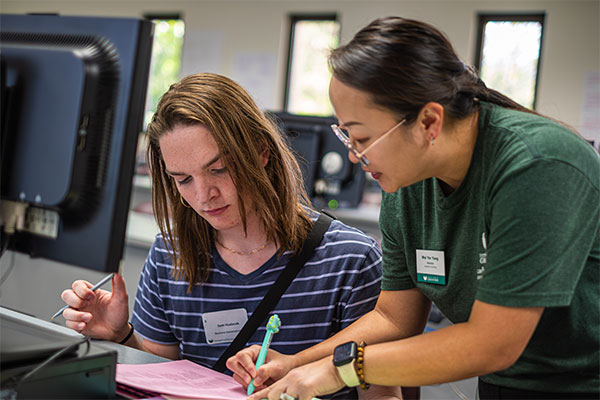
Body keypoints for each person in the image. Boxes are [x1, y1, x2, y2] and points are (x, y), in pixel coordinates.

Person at [227, 16, 600, 399]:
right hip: (505, 384)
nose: (354, 157)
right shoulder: (407, 183)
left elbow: (493, 343)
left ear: (428, 121)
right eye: (346, 137)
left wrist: (344, 370)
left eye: (363, 138)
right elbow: (394, 317)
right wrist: (298, 363)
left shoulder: (538, 165)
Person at [59, 73, 403, 399]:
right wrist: (123, 336)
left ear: (261, 153)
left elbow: (381, 392)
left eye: (218, 170)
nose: (204, 194)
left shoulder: (350, 259)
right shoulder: (169, 254)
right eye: (183, 180)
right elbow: (161, 372)